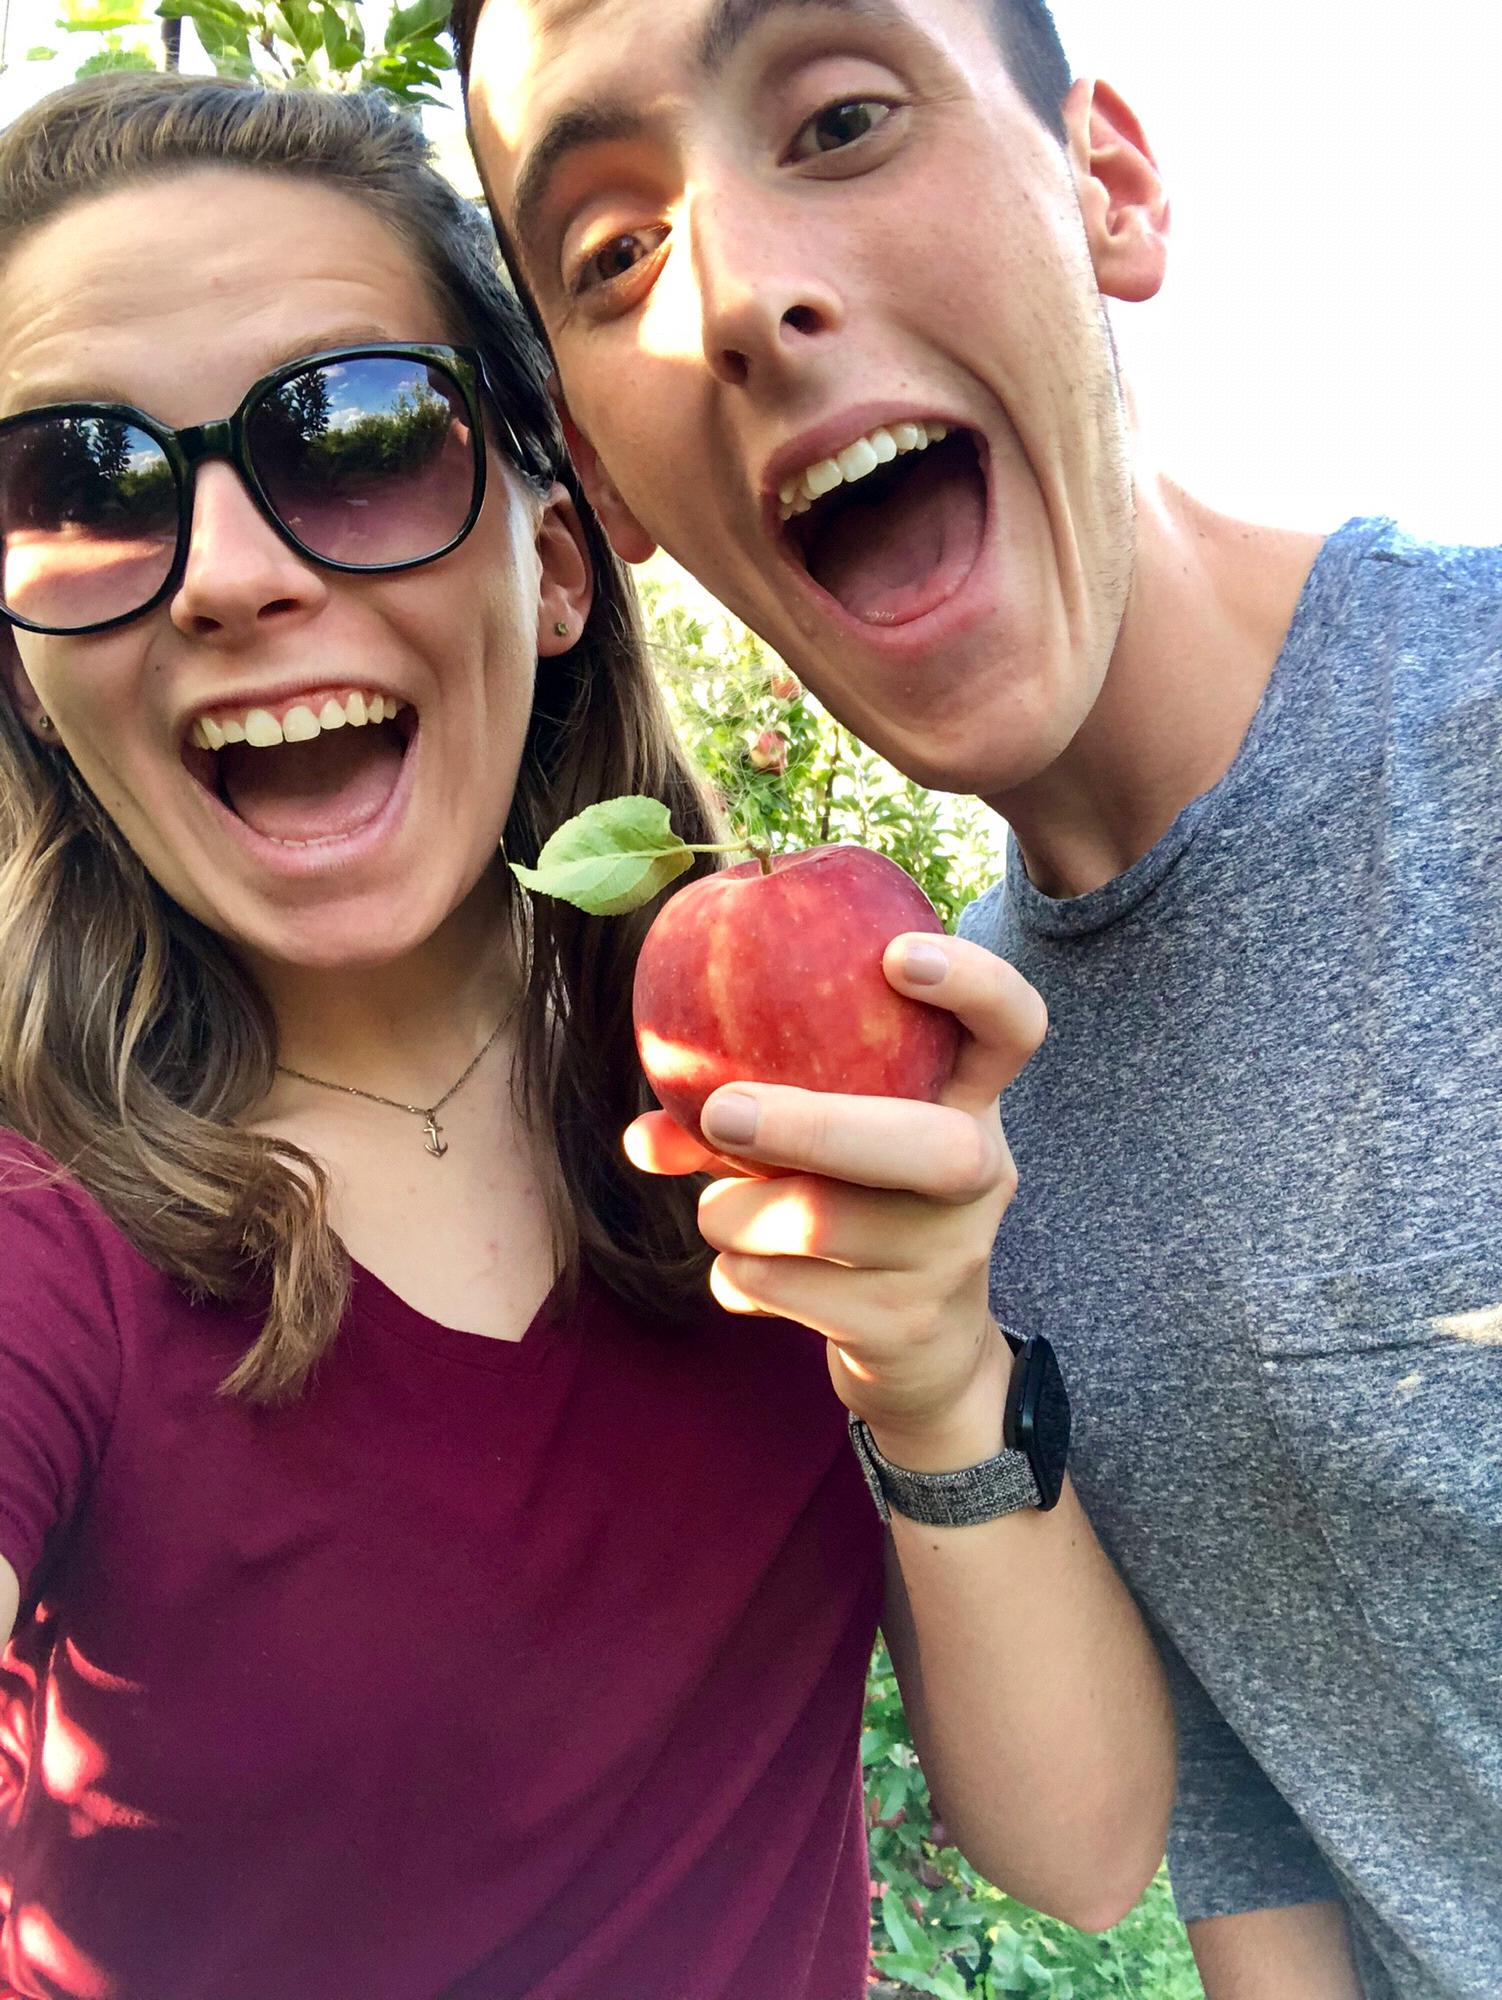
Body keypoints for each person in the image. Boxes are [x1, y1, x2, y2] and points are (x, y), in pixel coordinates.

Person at [0, 70, 1174, 2000]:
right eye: (81, 486)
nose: (228, 575)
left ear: (551, 566)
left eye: (357, 436)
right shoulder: (44, 1225)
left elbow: (1081, 1849)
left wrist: (931, 1366)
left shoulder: (781, 1110)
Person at [452, 1, 1502, 1997]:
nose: (735, 294)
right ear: (607, 476)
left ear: (1107, 185)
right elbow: (1248, 1829)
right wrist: (923, 1364)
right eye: (614, 250)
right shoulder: (947, 1096)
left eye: (841, 119)